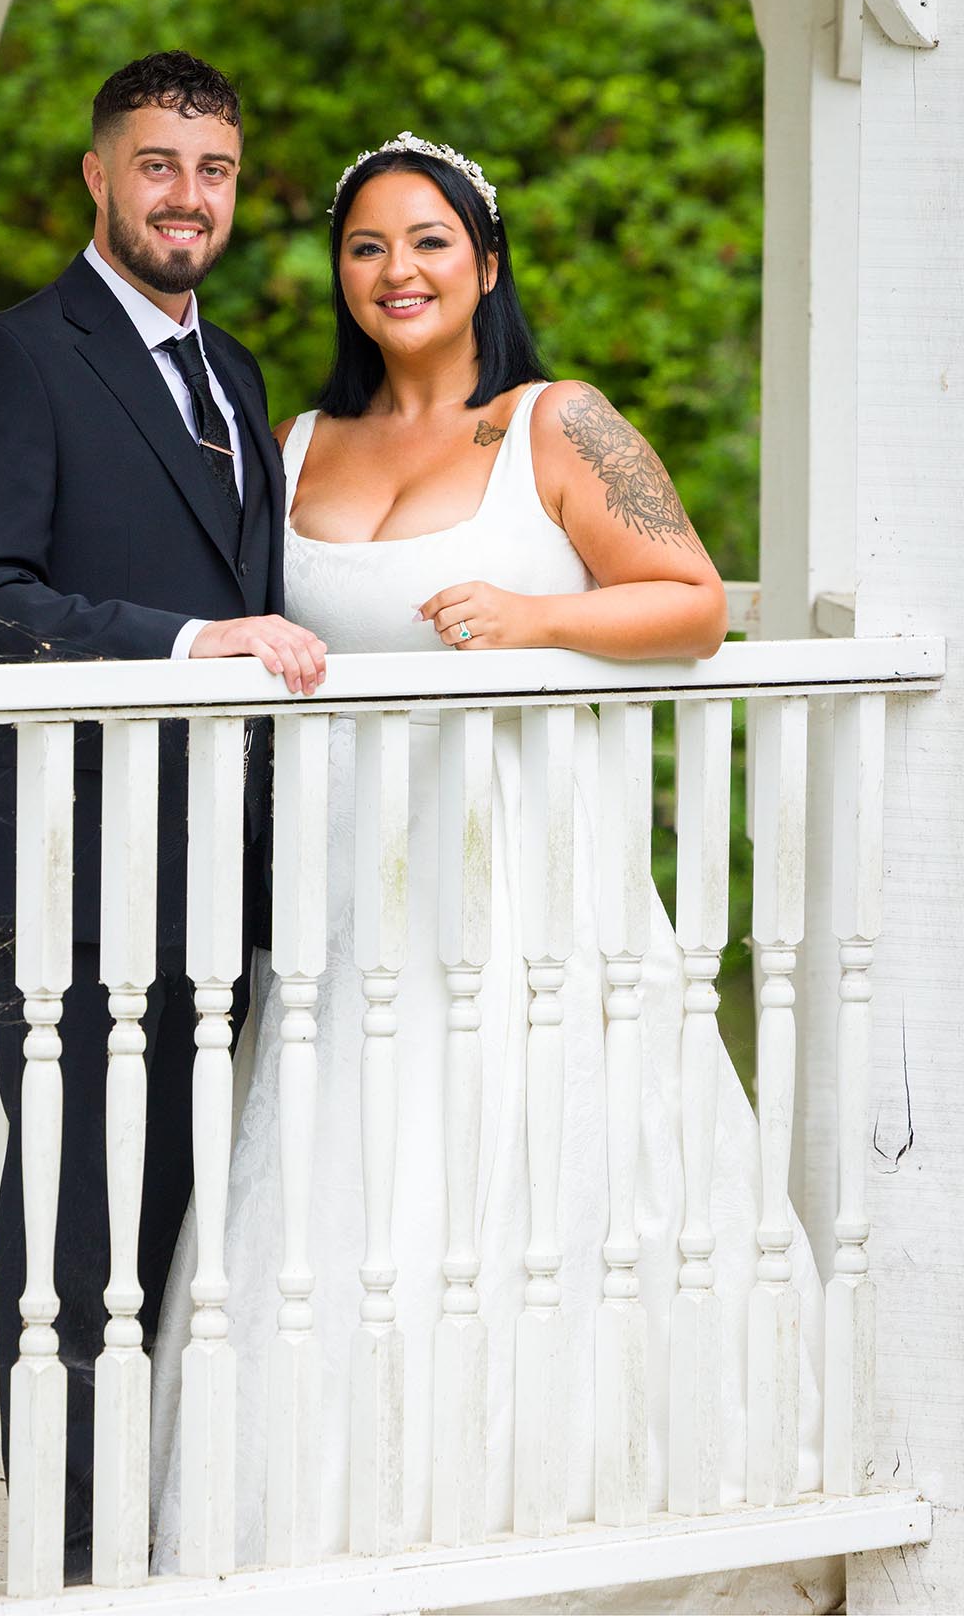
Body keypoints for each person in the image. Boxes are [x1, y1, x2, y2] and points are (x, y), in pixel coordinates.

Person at [149, 134, 825, 1583]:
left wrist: (539, 619)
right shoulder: (290, 448)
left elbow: (693, 603)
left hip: (525, 874)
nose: (398, 271)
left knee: (531, 1168)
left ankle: (564, 1518)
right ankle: (349, 1524)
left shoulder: (558, 425)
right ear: (341, 273)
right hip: (347, 889)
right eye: (369, 246)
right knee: (351, 1187)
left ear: (487, 265)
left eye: (430, 243)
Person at [0, 50, 326, 1582]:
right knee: (79, 1233)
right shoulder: (14, 359)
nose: (187, 197)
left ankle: (151, 1537)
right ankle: (68, 1563)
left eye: (213, 171)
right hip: (83, 861)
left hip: (226, 870)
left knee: (185, 1228)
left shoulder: (236, 378)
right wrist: (182, 643)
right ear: (99, 175)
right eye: (157, 164)